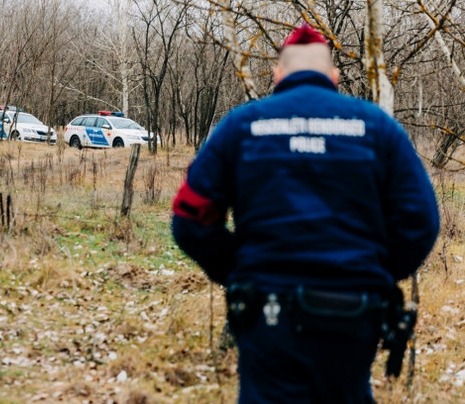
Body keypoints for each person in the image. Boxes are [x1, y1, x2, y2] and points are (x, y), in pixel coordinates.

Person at [171, 23, 439, 403]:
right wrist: (373, 273)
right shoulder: (377, 127)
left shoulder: (242, 125)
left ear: (278, 73)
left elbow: (190, 216)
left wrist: (238, 270)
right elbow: (421, 221)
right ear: (334, 75)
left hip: (267, 316)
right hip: (353, 316)